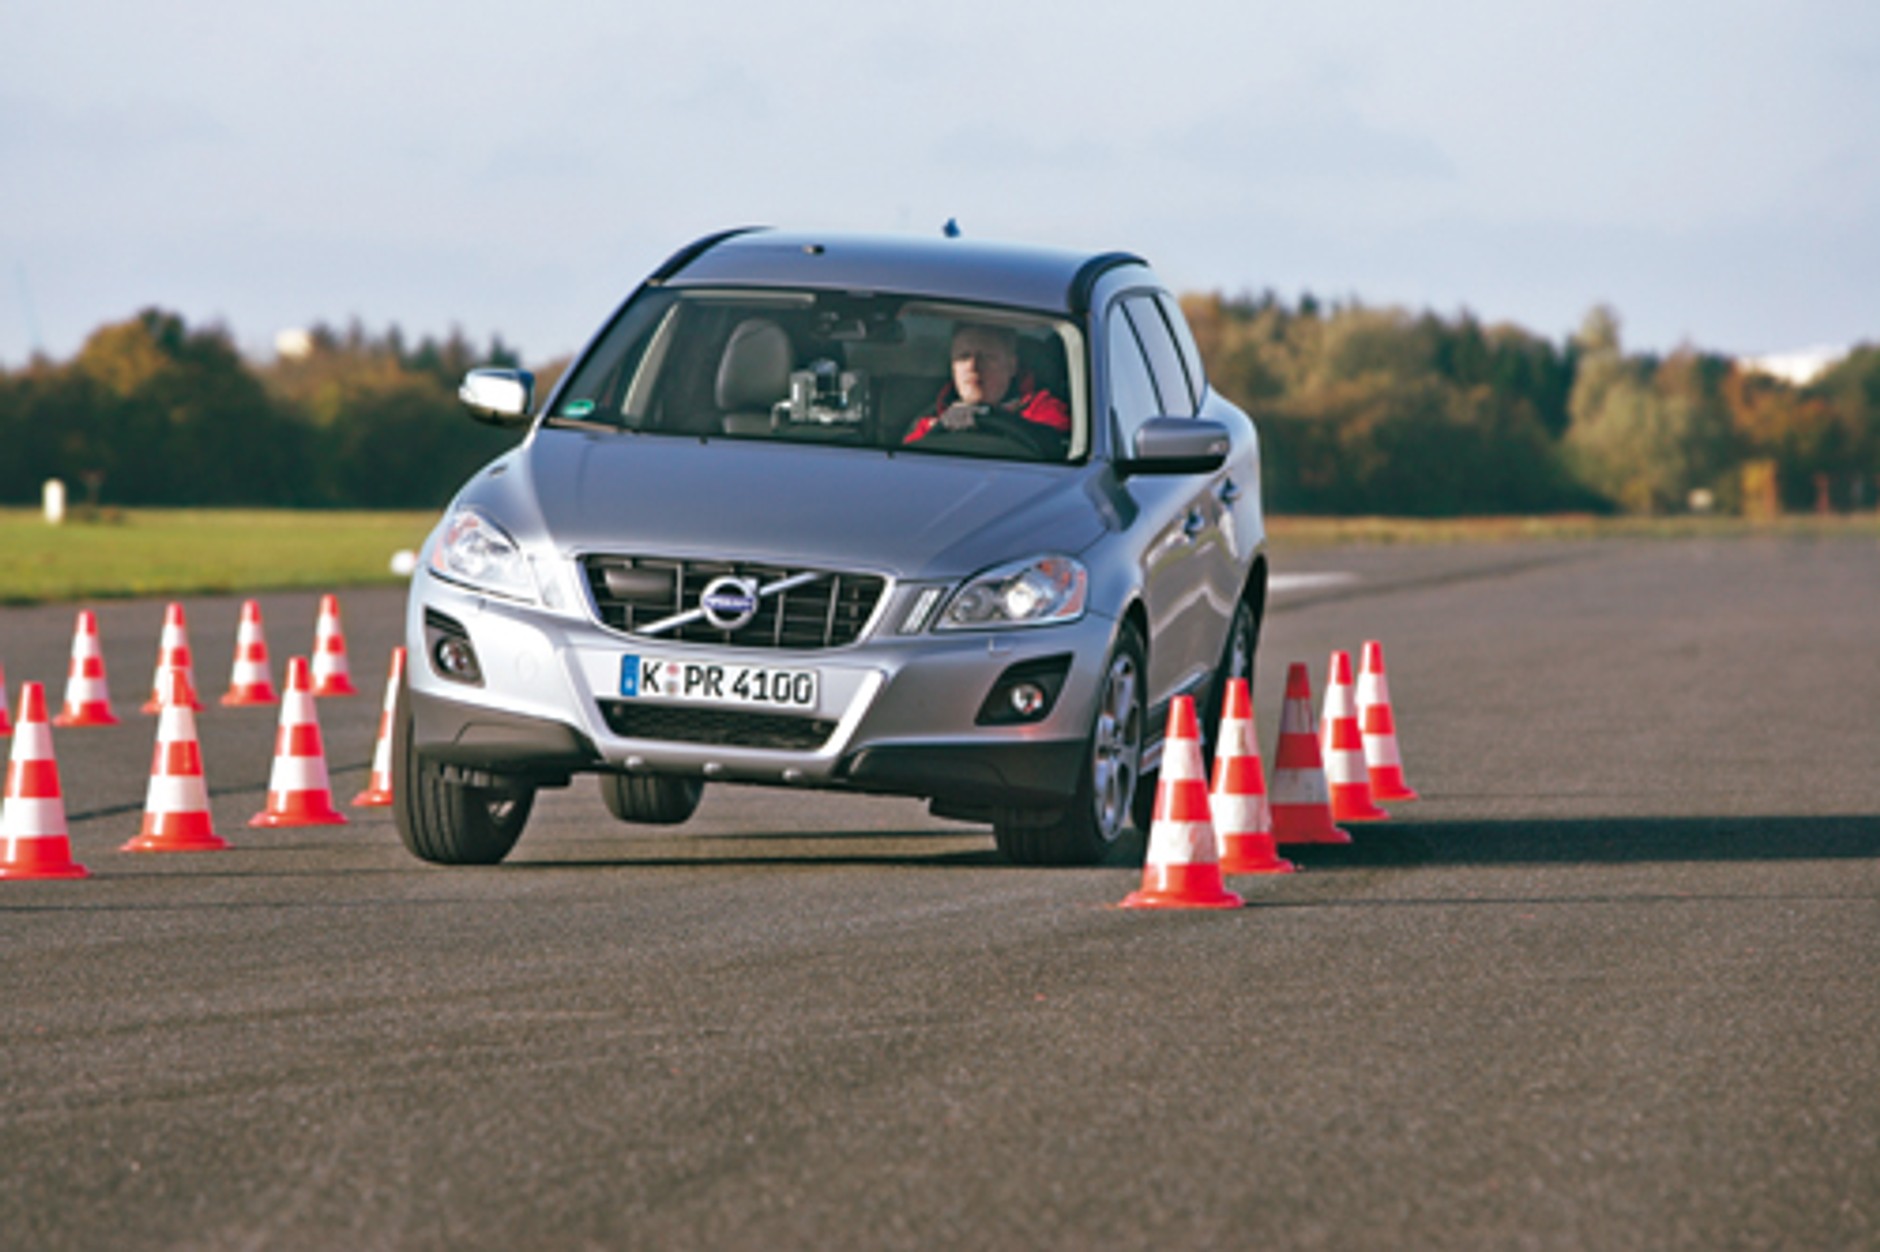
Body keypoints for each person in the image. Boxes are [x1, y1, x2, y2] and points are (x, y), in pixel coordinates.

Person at [902, 322, 1070, 446]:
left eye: (988, 357)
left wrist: (989, 417)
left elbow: (1056, 446)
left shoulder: (1043, 408)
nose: (973, 366)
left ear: (1012, 366)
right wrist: (941, 426)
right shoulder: (929, 420)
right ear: (953, 368)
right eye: (963, 356)